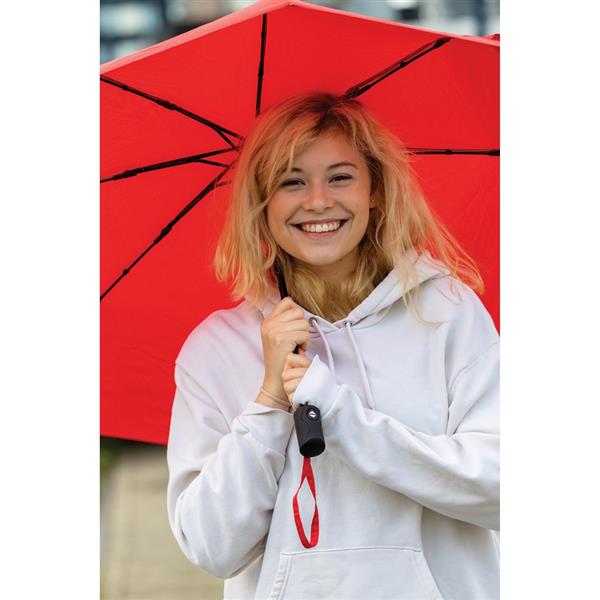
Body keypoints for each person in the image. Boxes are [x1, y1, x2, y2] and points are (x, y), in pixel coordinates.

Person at [166, 92, 499, 600]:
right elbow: (211, 547)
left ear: (375, 191)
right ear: (262, 202)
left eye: (340, 177)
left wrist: (340, 415)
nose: (318, 201)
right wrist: (269, 403)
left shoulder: (445, 313)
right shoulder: (217, 349)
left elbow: (500, 485)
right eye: (291, 181)